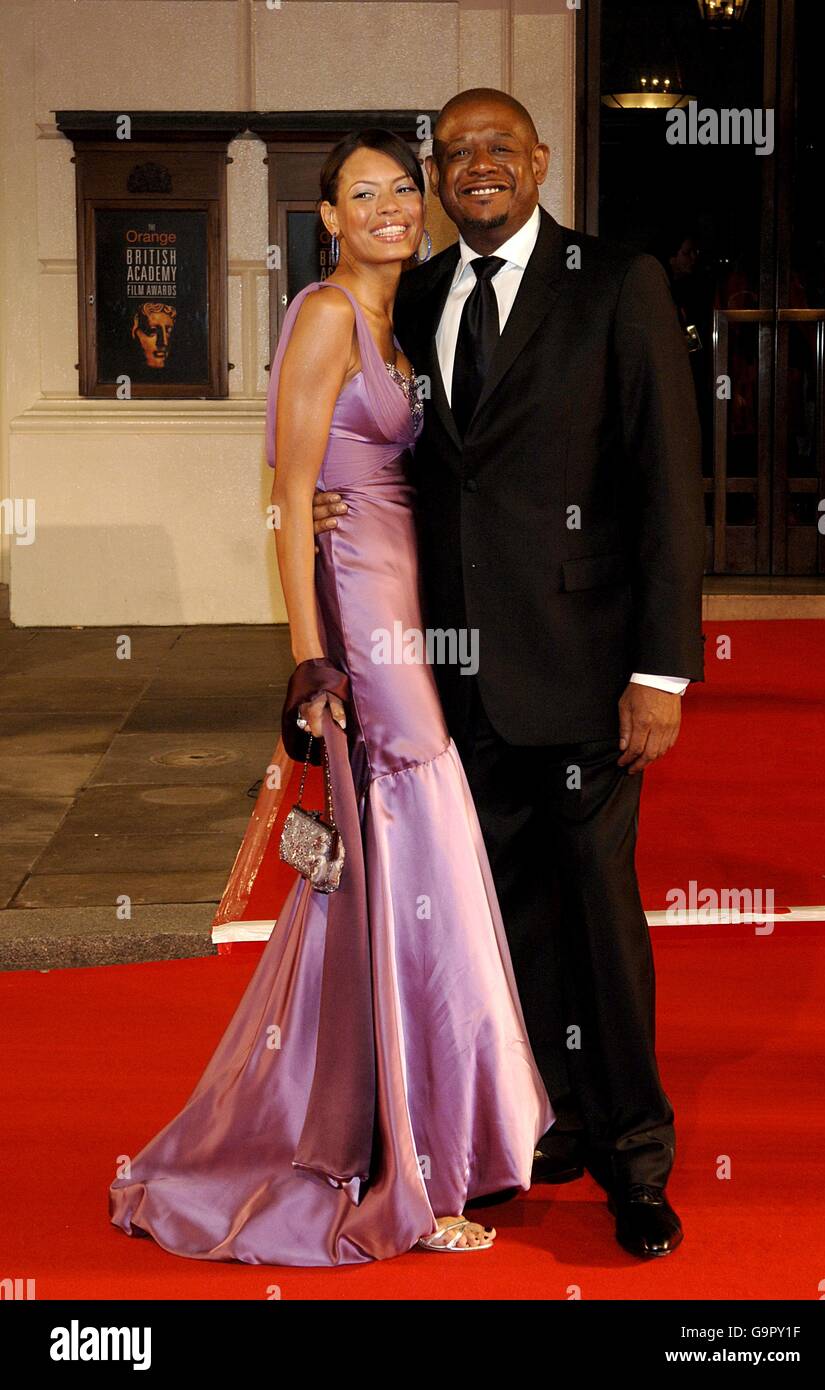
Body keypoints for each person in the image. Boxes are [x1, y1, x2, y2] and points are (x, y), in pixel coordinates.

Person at [107, 128, 554, 1267]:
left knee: (383, 879)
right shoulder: (320, 317)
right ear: (330, 219)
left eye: (404, 187)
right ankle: (411, 1172)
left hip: (400, 609)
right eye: (367, 194)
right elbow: (292, 494)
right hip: (364, 625)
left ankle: (403, 1135)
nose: (395, 205)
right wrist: (310, 666)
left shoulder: (391, 323)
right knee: (412, 861)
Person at [313, 90, 706, 1259]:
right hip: (458, 674)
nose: (476, 166)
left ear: (539, 160)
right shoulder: (418, 291)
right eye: (456, 152)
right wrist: (335, 505)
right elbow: (415, 463)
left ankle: (636, 1154)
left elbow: (666, 487)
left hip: (588, 675)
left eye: (500, 147)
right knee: (506, 918)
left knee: (597, 915)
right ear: (437, 177)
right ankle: (542, 1128)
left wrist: (661, 674)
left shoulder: (616, 281)